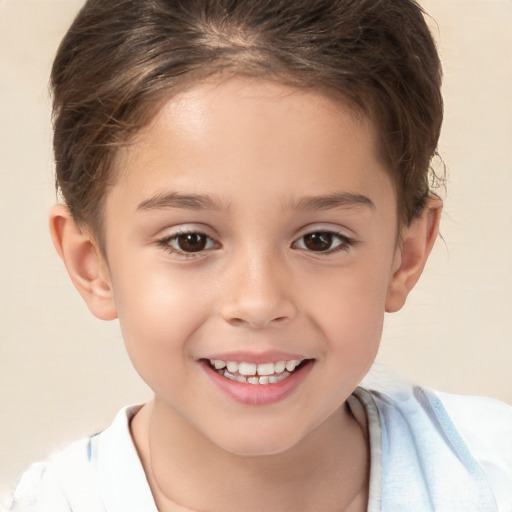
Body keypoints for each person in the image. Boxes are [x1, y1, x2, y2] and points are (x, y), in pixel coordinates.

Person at [8, 0, 511, 511]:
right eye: (191, 241)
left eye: (320, 240)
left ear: (404, 256)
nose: (257, 301)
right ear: (91, 263)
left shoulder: (493, 478)